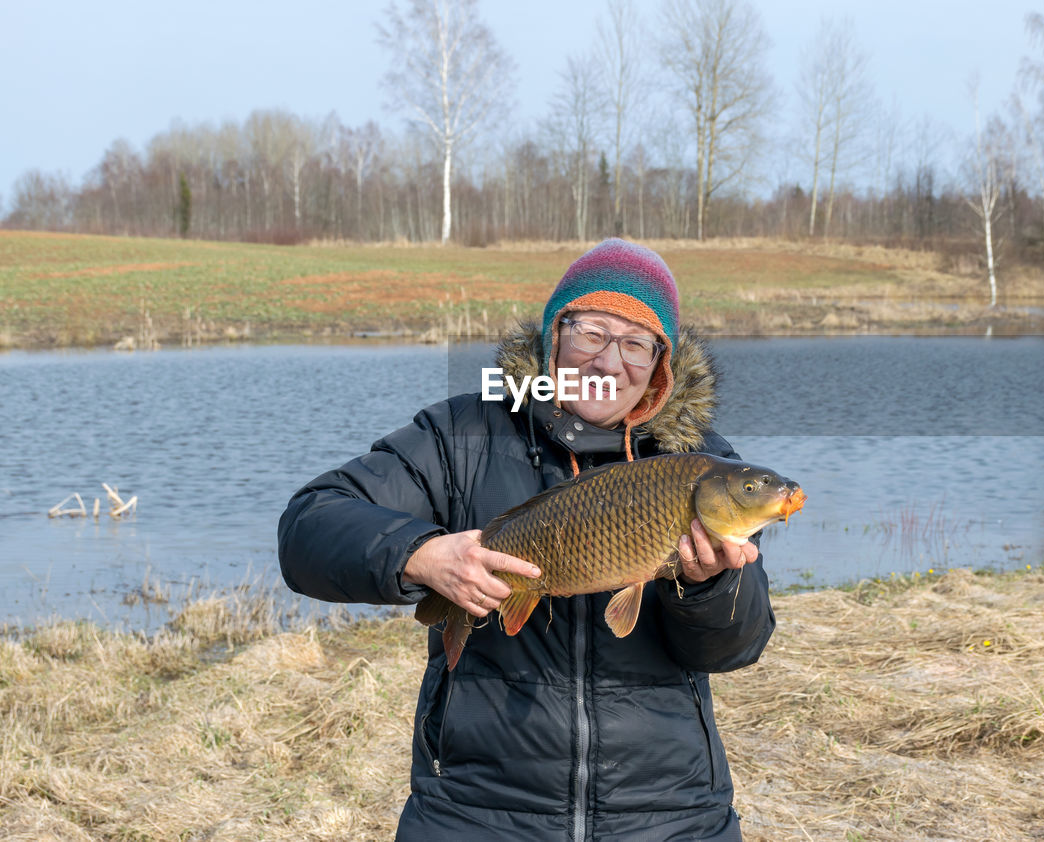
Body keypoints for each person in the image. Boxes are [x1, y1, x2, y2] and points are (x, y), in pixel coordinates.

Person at [278, 238, 775, 841]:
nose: (608, 363)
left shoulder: (699, 467)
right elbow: (309, 524)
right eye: (590, 332)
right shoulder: (460, 434)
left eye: (636, 344)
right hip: (477, 810)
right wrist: (420, 555)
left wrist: (711, 585)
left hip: (669, 813)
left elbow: (734, 649)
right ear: (552, 336)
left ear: (660, 366)